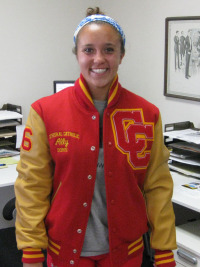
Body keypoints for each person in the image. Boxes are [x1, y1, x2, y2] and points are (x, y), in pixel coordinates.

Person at [14, 7, 177, 267]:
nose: (99, 59)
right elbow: (32, 187)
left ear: (121, 55)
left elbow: (157, 187)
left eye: (109, 49)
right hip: (66, 249)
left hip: (126, 251)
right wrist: (31, 249)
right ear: (77, 54)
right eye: (89, 49)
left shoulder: (147, 114)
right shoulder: (44, 112)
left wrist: (164, 249)